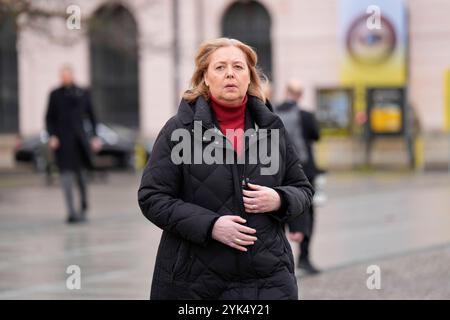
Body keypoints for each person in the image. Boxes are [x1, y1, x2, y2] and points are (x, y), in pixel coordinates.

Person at [138, 38, 314, 300]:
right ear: (205, 78)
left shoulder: (271, 129)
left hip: (267, 279)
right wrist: (211, 225)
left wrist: (279, 199)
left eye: (238, 67)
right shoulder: (179, 130)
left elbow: (302, 189)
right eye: (220, 67)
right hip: (196, 282)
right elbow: (152, 197)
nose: (230, 73)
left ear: (250, 77)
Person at [276, 80, 322, 275]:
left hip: (276, 171)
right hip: (303, 171)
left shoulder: (272, 113)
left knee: (278, 214)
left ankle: (280, 262)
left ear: (286, 91)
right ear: (300, 94)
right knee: (306, 213)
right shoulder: (305, 115)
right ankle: (304, 258)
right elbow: (316, 135)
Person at [45, 65, 102, 223]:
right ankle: (71, 212)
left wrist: (95, 137)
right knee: (66, 179)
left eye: (66, 75)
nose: (64, 78)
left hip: (80, 144)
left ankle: (83, 208)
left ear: (72, 75)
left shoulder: (82, 93)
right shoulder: (54, 95)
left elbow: (92, 117)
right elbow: (49, 118)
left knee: (82, 179)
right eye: (62, 76)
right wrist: (52, 136)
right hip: (63, 144)